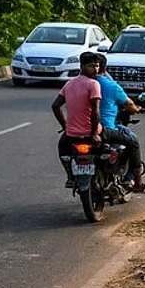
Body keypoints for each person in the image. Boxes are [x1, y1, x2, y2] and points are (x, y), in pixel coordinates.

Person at [95, 54, 145, 194]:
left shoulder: (75, 84)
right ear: (104, 68)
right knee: (132, 141)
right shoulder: (109, 85)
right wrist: (137, 109)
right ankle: (138, 183)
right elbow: (129, 104)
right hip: (105, 129)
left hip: (77, 130)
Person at [52, 51, 102, 188]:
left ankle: (70, 175)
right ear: (82, 66)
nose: (95, 69)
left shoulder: (69, 84)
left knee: (62, 148)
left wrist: (65, 126)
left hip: (72, 135)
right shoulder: (94, 84)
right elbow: (95, 111)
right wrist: (94, 134)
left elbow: (55, 105)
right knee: (116, 145)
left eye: (97, 66)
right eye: (91, 66)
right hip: (91, 133)